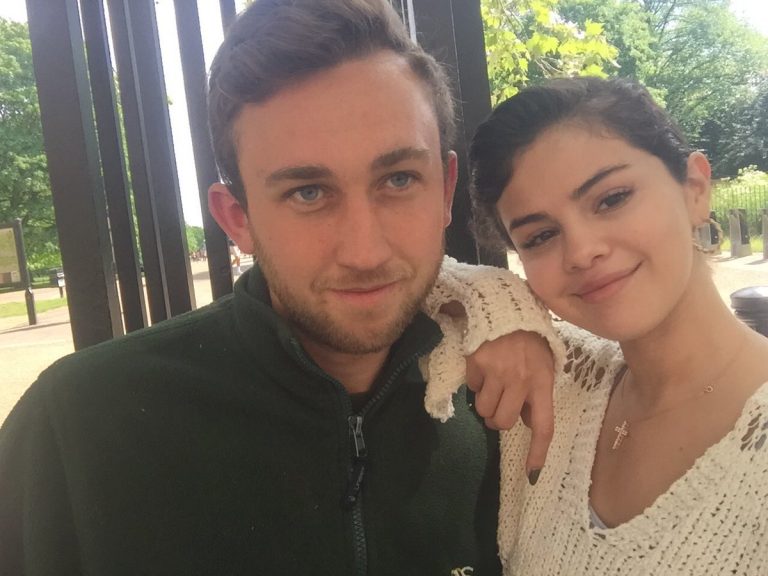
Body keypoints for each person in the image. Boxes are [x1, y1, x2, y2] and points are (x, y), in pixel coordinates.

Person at [0, 1, 563, 574]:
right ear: (236, 217)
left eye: (398, 180)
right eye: (307, 193)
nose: (365, 251)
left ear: (444, 191)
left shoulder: (518, 407)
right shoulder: (79, 428)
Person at [460, 76, 768, 574]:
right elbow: (414, 277)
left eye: (611, 199)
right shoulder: (559, 378)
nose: (582, 252)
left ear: (695, 189)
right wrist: (500, 308)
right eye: (540, 236)